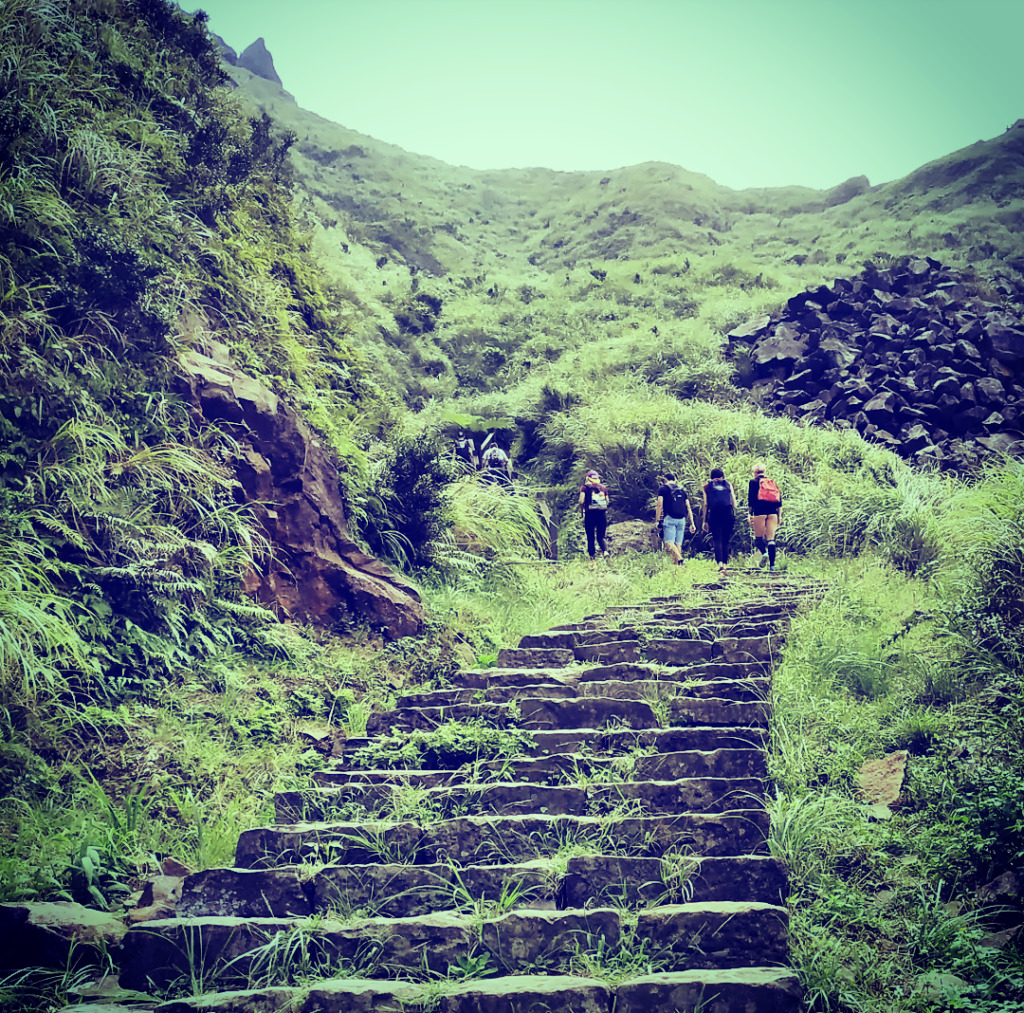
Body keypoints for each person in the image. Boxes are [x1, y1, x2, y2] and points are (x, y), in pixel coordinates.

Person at [701, 467, 737, 578]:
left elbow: (706, 504)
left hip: (715, 515)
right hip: (728, 514)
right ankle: (725, 565)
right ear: (722, 476)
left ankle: (720, 565)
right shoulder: (728, 484)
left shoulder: (707, 487)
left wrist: (704, 520)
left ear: (711, 477)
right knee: (725, 540)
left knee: (717, 539)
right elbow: (734, 504)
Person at [748, 461, 783, 572]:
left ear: (754, 472)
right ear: (764, 471)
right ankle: (772, 566)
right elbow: (779, 501)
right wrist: (779, 516)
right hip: (773, 513)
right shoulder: (772, 482)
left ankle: (764, 553)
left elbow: (751, 500)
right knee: (771, 539)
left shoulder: (753, 482)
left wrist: (749, 514)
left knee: (758, 538)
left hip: (759, 512)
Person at [655, 471, 695, 565]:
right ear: (674, 480)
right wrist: (692, 523)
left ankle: (680, 559)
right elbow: (688, 507)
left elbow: (659, 504)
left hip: (670, 518)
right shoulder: (681, 489)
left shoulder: (663, 489)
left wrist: (657, 521)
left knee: (668, 543)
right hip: (682, 519)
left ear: (665, 480)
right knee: (677, 544)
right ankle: (678, 567)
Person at [578, 469, 610, 567]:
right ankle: (605, 552)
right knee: (601, 536)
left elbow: (581, 501)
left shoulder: (584, 488)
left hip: (590, 515)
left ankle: (592, 558)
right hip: (601, 514)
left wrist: (582, 509)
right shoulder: (603, 488)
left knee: (590, 536)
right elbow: (607, 501)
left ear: (588, 478)